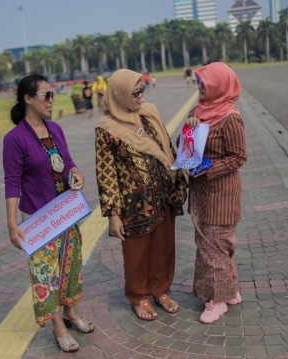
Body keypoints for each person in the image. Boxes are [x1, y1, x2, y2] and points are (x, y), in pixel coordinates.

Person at [3, 74, 94, 353]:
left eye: (53, 95)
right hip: (38, 220)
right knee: (46, 275)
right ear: (29, 99)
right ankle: (58, 327)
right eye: (47, 95)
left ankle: (72, 312)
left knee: (70, 267)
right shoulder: (15, 138)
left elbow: (67, 162)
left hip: (65, 213)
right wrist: (11, 224)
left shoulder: (54, 128)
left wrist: (77, 174)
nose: (52, 100)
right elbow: (12, 182)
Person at [95, 69, 188, 320]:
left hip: (163, 195)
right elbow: (106, 174)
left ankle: (161, 291)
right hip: (133, 205)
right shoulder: (106, 128)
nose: (140, 97)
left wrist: (179, 183)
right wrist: (113, 214)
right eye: (134, 93)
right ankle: (139, 296)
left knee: (163, 248)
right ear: (120, 94)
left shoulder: (149, 114)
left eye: (141, 91)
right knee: (137, 254)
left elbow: (167, 149)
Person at [183, 62, 247, 324]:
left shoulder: (231, 118)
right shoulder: (196, 112)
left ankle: (218, 301)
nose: (199, 88)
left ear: (219, 86)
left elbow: (238, 156)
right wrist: (189, 130)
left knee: (214, 245)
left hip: (221, 192)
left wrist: (207, 169)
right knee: (213, 243)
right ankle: (230, 292)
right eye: (198, 83)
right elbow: (186, 151)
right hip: (201, 192)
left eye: (204, 84)